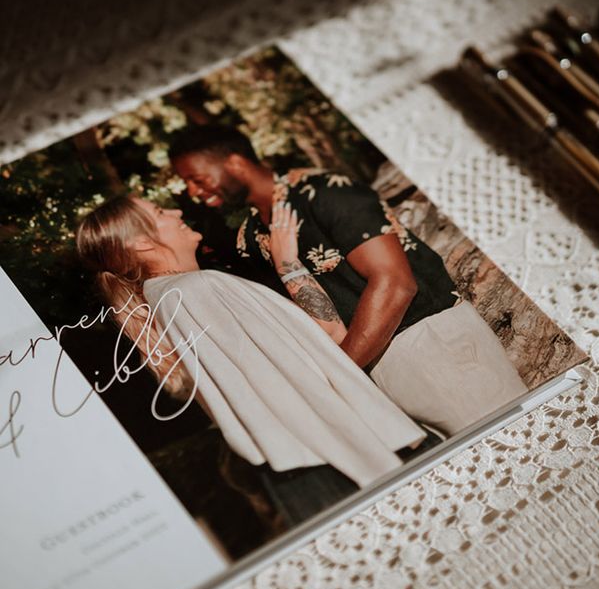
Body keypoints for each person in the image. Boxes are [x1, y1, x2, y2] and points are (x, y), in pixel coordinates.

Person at [170, 125, 528, 435]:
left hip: (430, 343)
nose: (191, 191)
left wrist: (340, 376)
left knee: (516, 448)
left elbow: (396, 284)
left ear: (235, 162)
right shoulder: (251, 235)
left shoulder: (325, 190)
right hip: (370, 363)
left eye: (196, 179)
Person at [75, 195, 426, 492]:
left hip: (326, 461)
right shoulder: (194, 291)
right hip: (338, 462)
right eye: (160, 213)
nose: (177, 212)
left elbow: (324, 342)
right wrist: (373, 462)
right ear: (140, 242)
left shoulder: (176, 294)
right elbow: (287, 389)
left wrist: (287, 264)